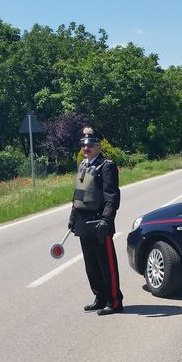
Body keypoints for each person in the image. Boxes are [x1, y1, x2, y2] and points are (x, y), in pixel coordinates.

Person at [67, 127, 124, 315]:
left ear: (99, 146)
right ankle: (99, 298)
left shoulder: (106, 166)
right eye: (84, 145)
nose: (86, 148)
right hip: (83, 222)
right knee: (91, 265)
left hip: (100, 222)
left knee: (106, 265)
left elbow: (112, 196)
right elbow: (78, 194)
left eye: (90, 144)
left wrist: (107, 219)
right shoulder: (82, 165)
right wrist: (73, 217)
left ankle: (114, 301)